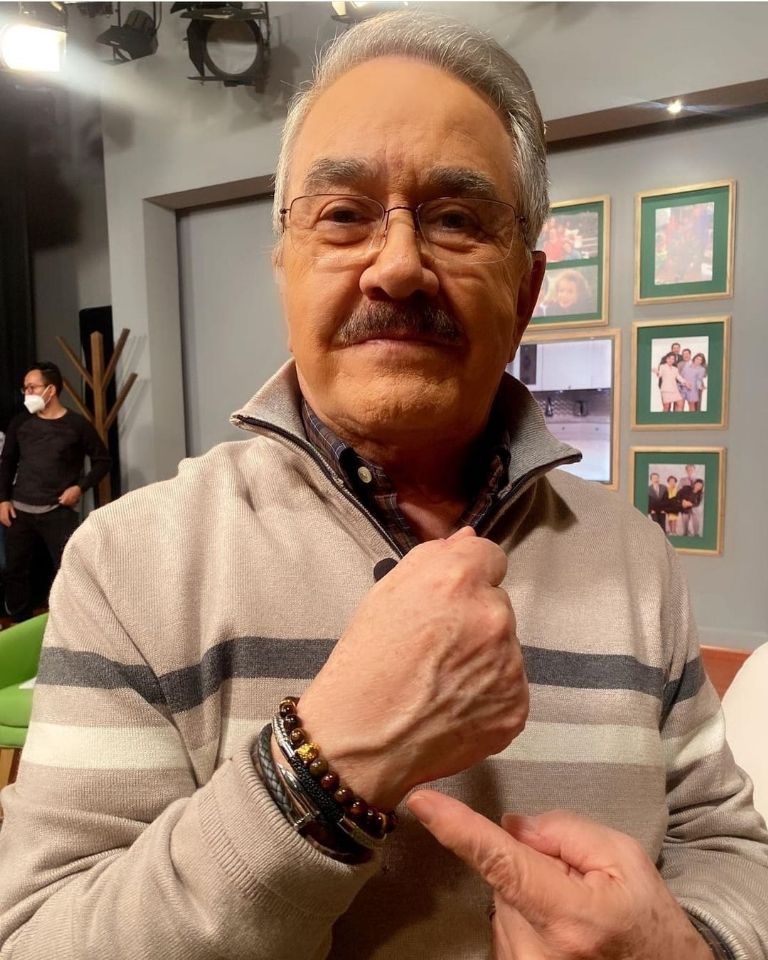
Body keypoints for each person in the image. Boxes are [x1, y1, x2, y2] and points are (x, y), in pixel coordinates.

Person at [1, 13, 766, 960]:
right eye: (343, 215)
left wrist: (687, 946)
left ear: (525, 292)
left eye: (456, 219)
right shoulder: (130, 565)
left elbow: (728, 846)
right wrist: (323, 768)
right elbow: (42, 938)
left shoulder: (635, 557)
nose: (399, 266)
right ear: (285, 265)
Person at [0, 362, 111, 623]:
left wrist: (79, 487)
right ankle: (18, 624)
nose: (27, 393)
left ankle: (71, 624)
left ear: (51, 390)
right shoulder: (20, 423)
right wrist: (3, 499)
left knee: (68, 569)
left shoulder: (77, 425)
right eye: (25, 388)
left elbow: (103, 461)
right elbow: (7, 463)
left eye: (32, 387)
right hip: (19, 511)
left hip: (58, 512)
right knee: (15, 572)